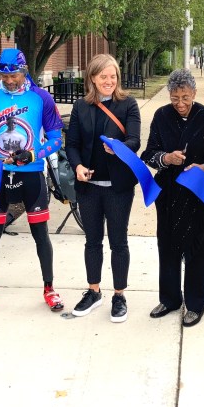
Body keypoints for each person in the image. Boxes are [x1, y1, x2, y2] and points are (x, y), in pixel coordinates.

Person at [0, 48, 65, 316]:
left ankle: (49, 288)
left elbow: (56, 140)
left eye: (15, 75)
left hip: (31, 174)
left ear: (24, 71)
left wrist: (33, 154)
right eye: (4, 75)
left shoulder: (41, 97)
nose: (10, 81)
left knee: (40, 234)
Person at [141, 69, 204, 327]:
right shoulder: (162, 116)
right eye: (175, 98)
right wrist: (166, 158)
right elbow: (149, 153)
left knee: (197, 246)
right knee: (168, 244)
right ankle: (170, 298)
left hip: (199, 192)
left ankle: (196, 304)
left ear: (194, 94)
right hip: (170, 192)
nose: (181, 104)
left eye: (185, 97)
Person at [66, 54, 141, 323]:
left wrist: (119, 148)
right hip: (89, 187)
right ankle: (93, 291)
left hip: (118, 187)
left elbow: (135, 139)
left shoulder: (128, 104)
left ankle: (119, 295)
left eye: (113, 76)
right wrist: (77, 167)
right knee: (92, 241)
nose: (109, 81)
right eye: (103, 77)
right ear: (92, 79)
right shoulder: (81, 106)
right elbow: (72, 144)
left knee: (118, 242)